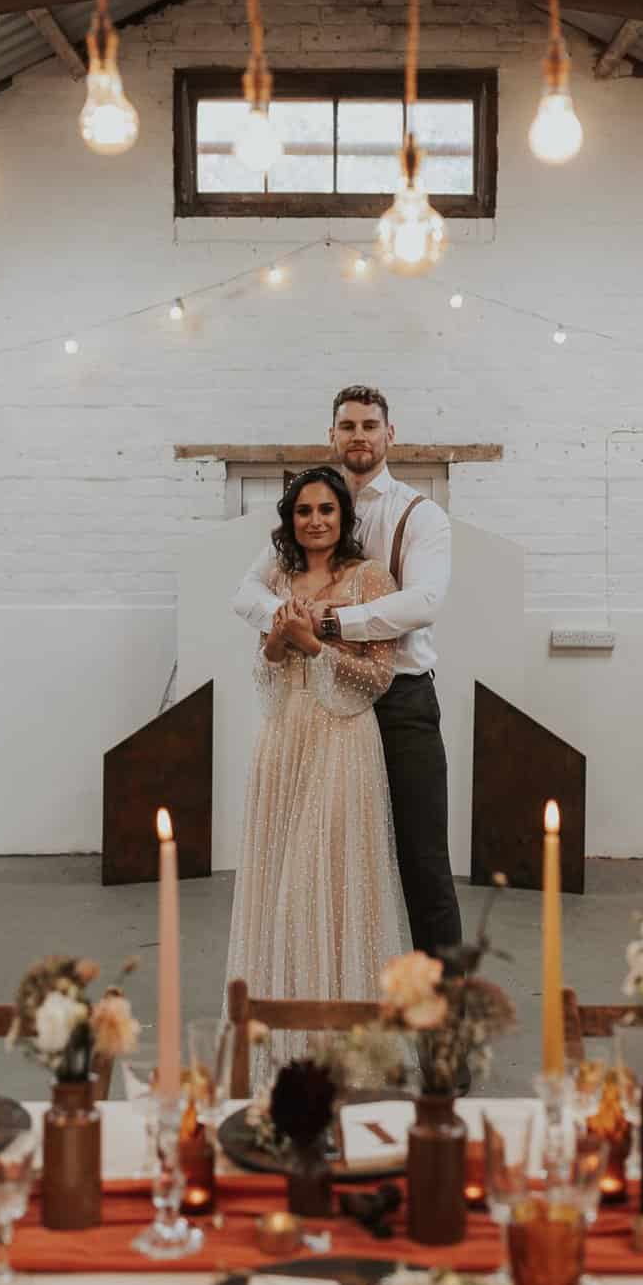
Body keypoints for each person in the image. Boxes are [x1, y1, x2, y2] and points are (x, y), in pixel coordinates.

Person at [233, 386, 463, 967]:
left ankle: (444, 1024)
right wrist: (285, 622)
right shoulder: (314, 509)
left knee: (421, 861)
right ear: (332, 436)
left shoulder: (420, 513)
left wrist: (330, 624)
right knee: (331, 861)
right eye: (347, 425)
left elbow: (425, 601)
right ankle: (343, 995)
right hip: (324, 719)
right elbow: (248, 594)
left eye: (370, 425)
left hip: (401, 702)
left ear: (390, 435)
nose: (358, 435)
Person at [224, 466, 408, 1064]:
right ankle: (283, 1037)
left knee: (323, 874)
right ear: (290, 521)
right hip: (284, 738)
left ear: (344, 518)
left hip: (343, 739)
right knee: (280, 881)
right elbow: (266, 670)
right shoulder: (278, 577)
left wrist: (311, 645)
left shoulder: (372, 578)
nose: (315, 521)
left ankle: (340, 1038)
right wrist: (278, 646)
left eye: (326, 510)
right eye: (304, 512)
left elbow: (379, 676)